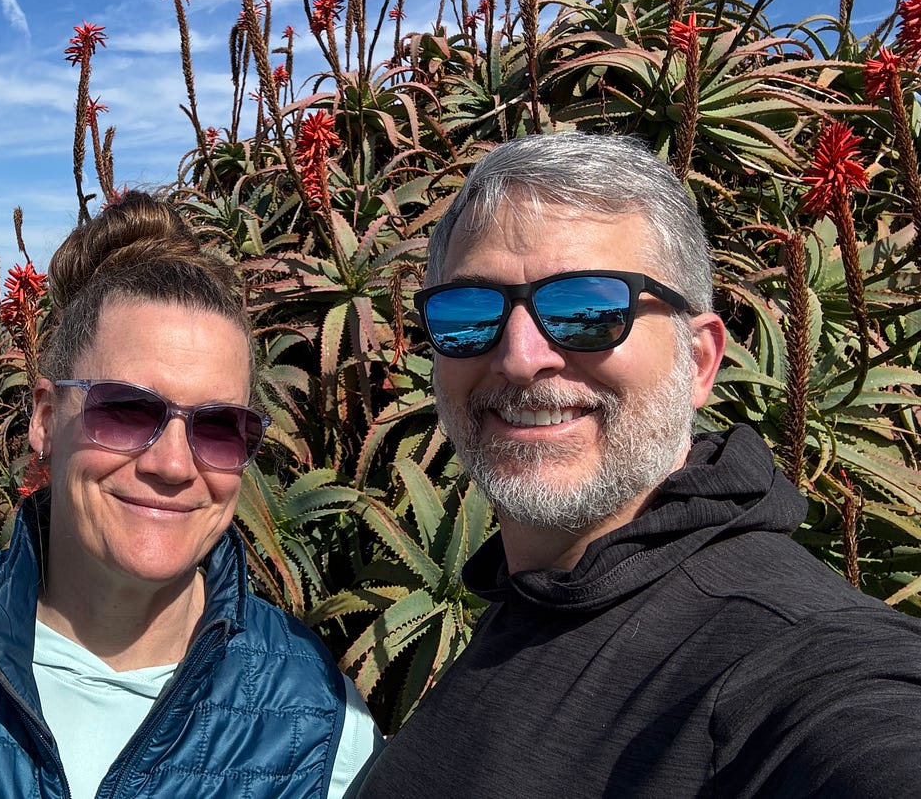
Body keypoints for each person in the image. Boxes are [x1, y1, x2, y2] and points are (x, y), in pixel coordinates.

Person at [0, 191, 382, 799]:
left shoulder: (326, 727)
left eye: (220, 427)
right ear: (47, 420)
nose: (172, 465)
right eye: (127, 411)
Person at [358, 133, 921, 798]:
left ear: (700, 361)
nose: (518, 357)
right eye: (468, 313)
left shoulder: (790, 657)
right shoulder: (534, 592)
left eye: (587, 308)